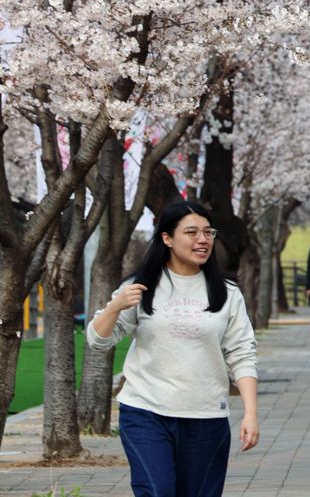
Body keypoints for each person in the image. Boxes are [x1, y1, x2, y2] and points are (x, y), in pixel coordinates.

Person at [86, 199, 258, 497]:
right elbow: (98, 340)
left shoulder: (227, 293)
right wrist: (114, 306)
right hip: (146, 411)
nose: (202, 240)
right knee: (158, 490)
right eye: (191, 232)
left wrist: (251, 413)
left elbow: (242, 353)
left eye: (208, 232)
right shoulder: (140, 287)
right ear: (167, 238)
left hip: (206, 417)